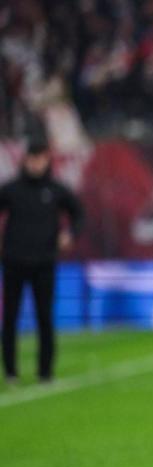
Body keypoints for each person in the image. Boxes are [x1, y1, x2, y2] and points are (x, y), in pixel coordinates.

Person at [1, 135, 84, 385]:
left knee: (45, 317)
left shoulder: (56, 190)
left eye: (40, 158)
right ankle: (11, 371)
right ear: (25, 160)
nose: (36, 163)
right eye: (32, 158)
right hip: (14, 261)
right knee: (10, 318)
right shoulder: (11, 189)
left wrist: (70, 233)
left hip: (44, 263)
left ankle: (45, 371)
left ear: (47, 160)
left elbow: (78, 213)